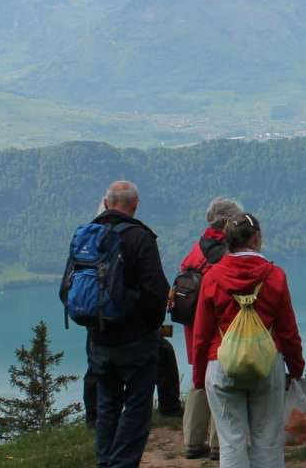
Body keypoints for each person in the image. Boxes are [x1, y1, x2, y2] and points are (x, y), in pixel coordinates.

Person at [192, 212, 304, 468]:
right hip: (267, 365)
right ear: (256, 238)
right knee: (268, 442)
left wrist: (199, 376)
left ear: (227, 241)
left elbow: (201, 334)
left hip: (221, 365)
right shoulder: (274, 275)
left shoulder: (212, 277)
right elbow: (288, 330)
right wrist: (296, 368)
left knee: (231, 442)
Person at [79, 181, 170, 468]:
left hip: (98, 338)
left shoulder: (86, 235)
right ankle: (121, 464)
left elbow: (68, 287)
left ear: (106, 204)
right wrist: (150, 328)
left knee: (107, 404)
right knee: (137, 406)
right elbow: (156, 289)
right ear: (135, 205)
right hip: (135, 340)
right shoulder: (139, 237)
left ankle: (105, 462)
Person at [176, 196, 242, 460]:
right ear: (227, 221)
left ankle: (192, 441)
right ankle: (218, 443)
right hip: (219, 323)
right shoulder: (227, 250)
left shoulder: (196, 248)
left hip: (193, 323)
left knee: (199, 377)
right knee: (221, 377)